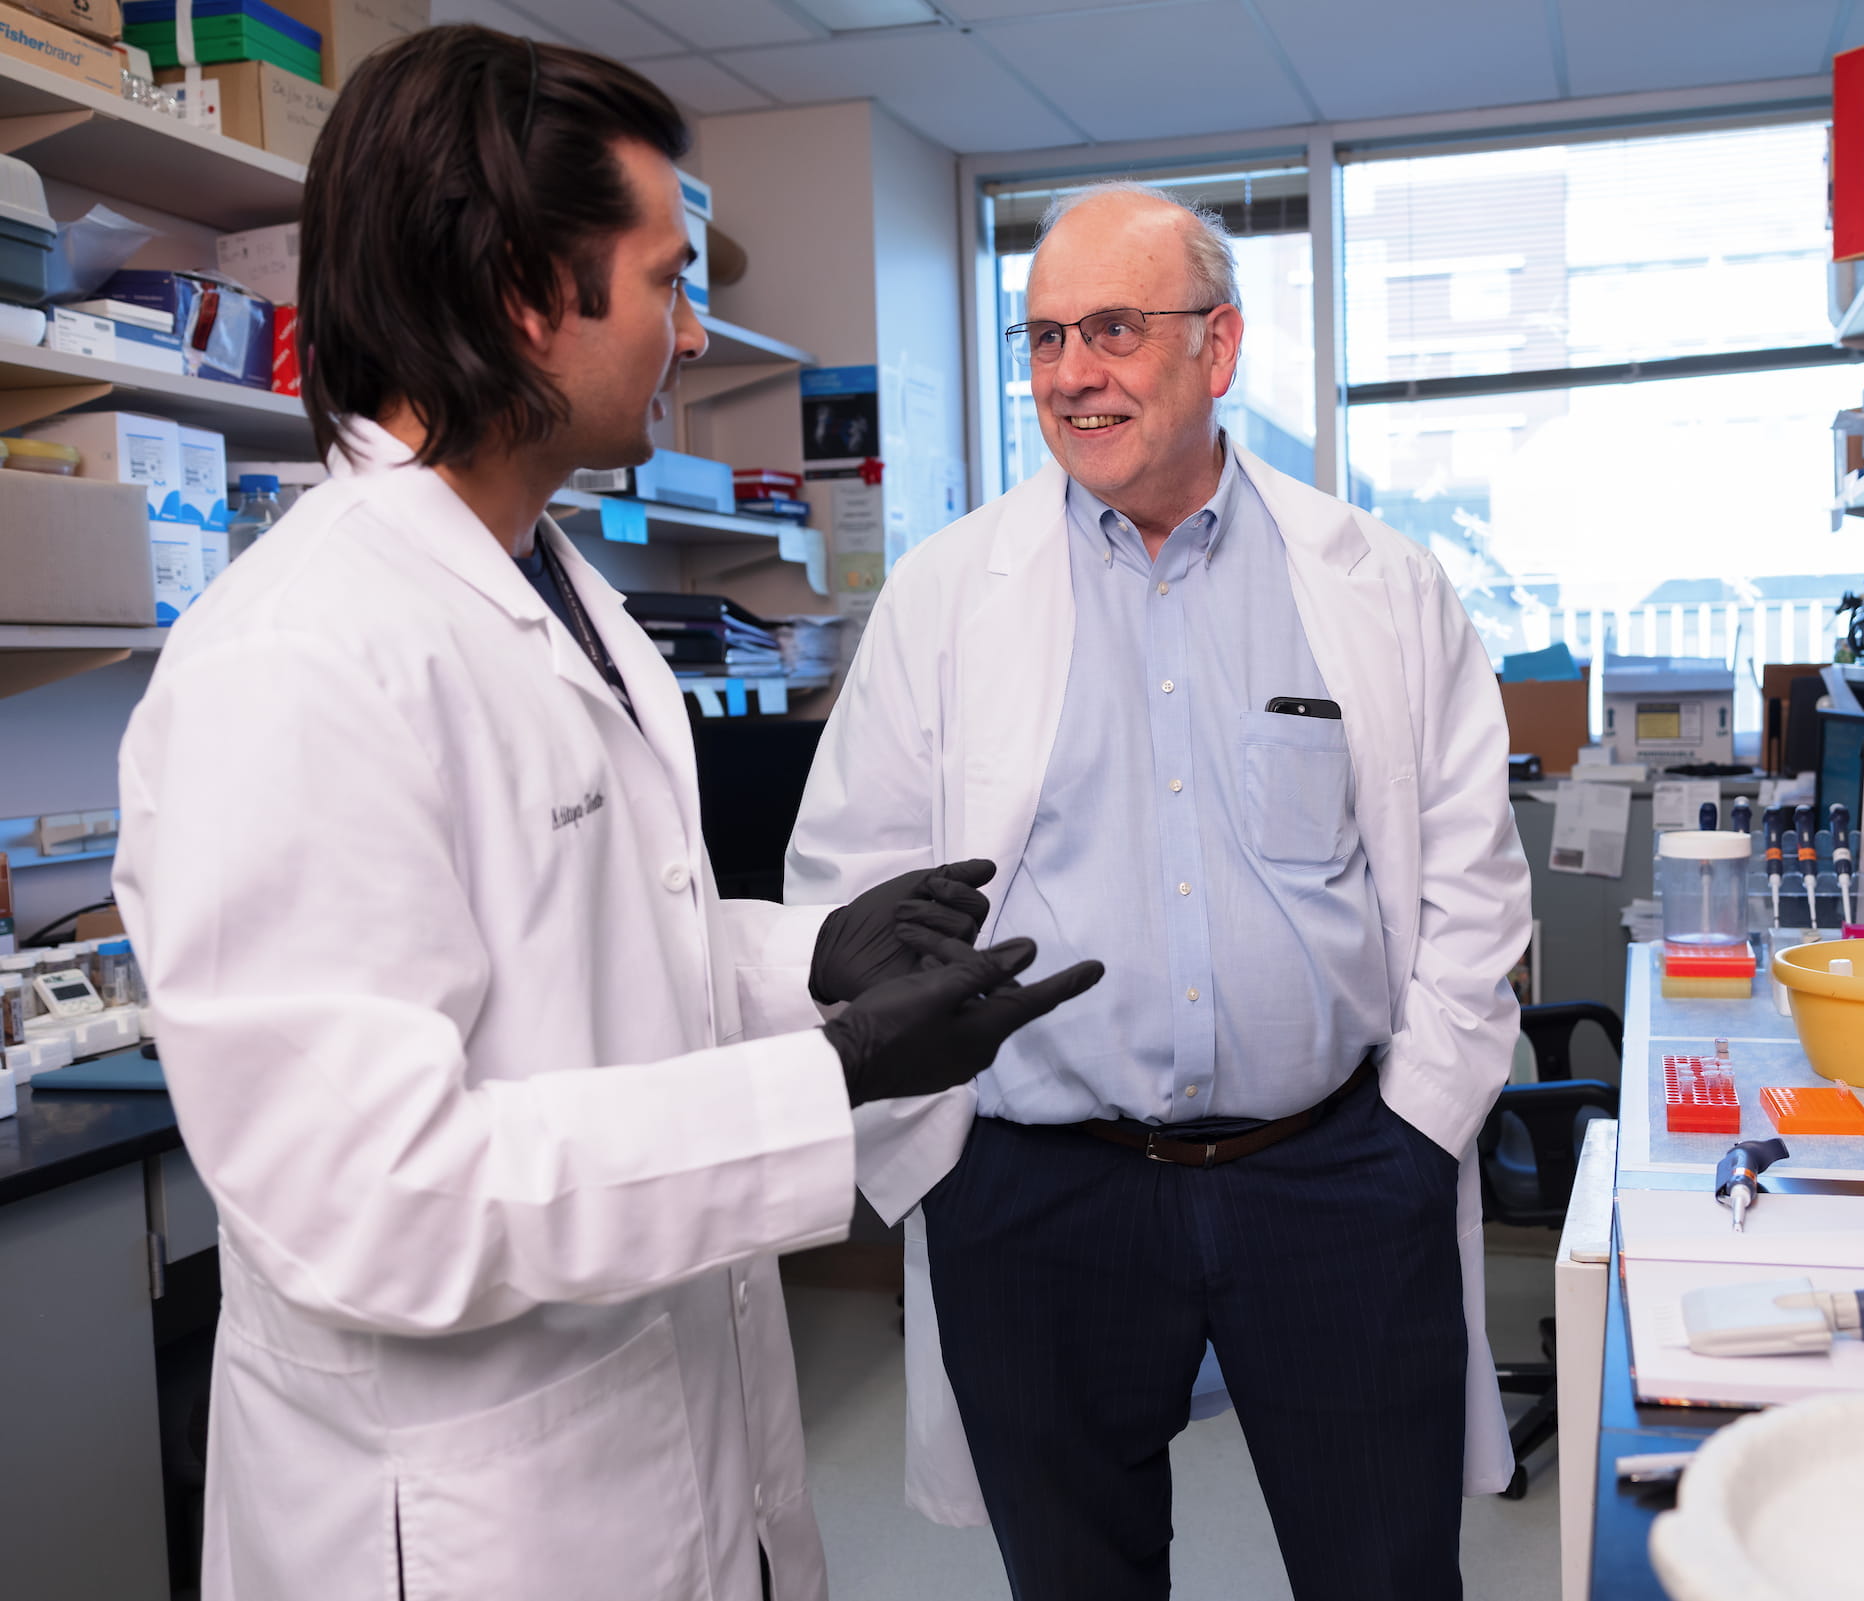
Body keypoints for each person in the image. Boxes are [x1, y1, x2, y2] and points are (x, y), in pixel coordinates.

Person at [110, 27, 1099, 1601]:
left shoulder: (563, 591)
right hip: (470, 1518)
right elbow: (380, 1197)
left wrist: (808, 964)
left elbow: (586, 957)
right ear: (524, 291)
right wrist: (825, 1080)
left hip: (673, 1444)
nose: (694, 333)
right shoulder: (301, 657)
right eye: (664, 281)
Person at [786, 183, 1532, 1599]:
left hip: (1330, 1176)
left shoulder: (1378, 582)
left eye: (1115, 328)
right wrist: (936, 1162)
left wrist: (1417, 1132)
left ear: (1220, 347)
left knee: (1383, 1569)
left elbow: (1473, 890)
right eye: (1048, 335)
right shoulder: (949, 597)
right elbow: (848, 883)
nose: (1073, 372)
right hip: (1039, 1193)